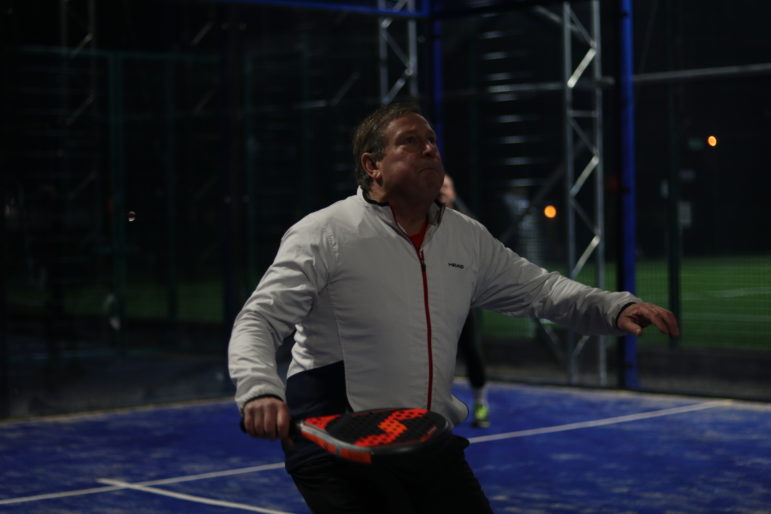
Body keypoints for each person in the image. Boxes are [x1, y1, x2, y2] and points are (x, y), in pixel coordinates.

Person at [229, 102, 679, 513]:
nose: (429, 149)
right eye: (410, 142)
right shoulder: (324, 232)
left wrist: (613, 307)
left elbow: (540, 289)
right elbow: (259, 319)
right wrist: (260, 388)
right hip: (335, 440)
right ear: (372, 167)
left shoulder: (465, 235)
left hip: (423, 435)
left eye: (432, 141)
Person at [437, 174, 490, 428]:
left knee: (473, 353)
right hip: (430, 303)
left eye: (446, 186)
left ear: (454, 193)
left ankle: (480, 404)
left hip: (462, 302)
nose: (441, 191)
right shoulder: (417, 223)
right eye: (438, 187)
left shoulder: (468, 226)